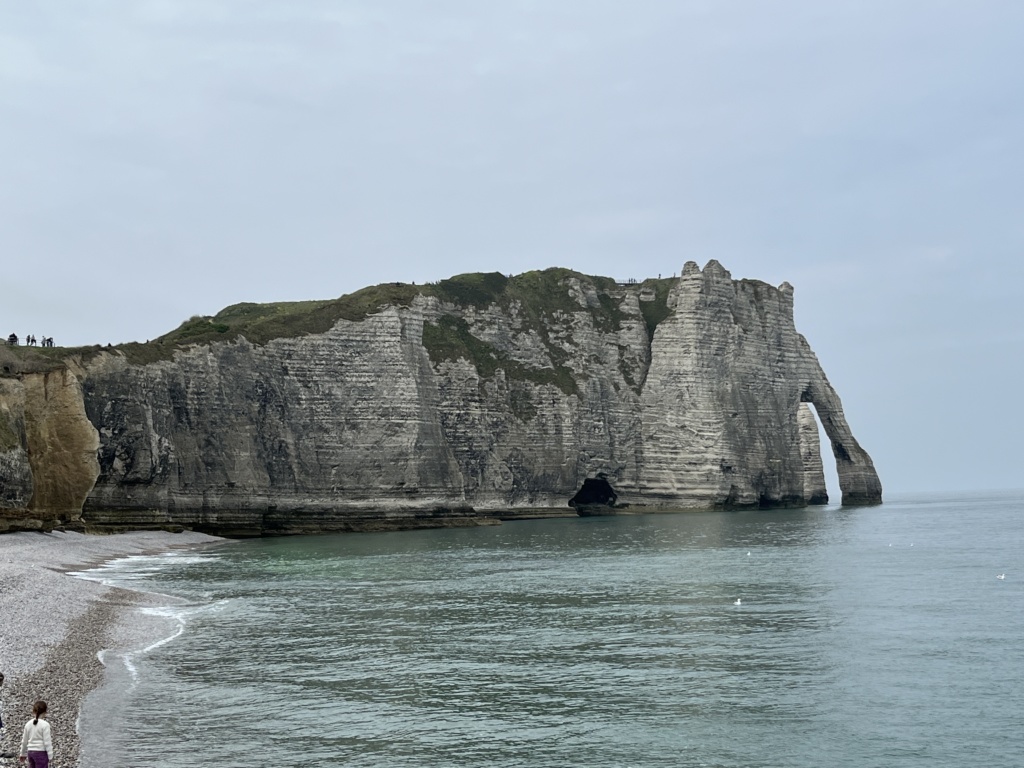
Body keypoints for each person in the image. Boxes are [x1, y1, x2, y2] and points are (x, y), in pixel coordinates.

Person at [18, 700, 52, 768]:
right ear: (45, 712)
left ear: (33, 711)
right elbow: (47, 742)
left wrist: (22, 753)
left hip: (30, 752)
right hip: (41, 752)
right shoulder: (45, 725)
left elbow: (24, 741)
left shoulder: (28, 724)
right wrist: (50, 755)